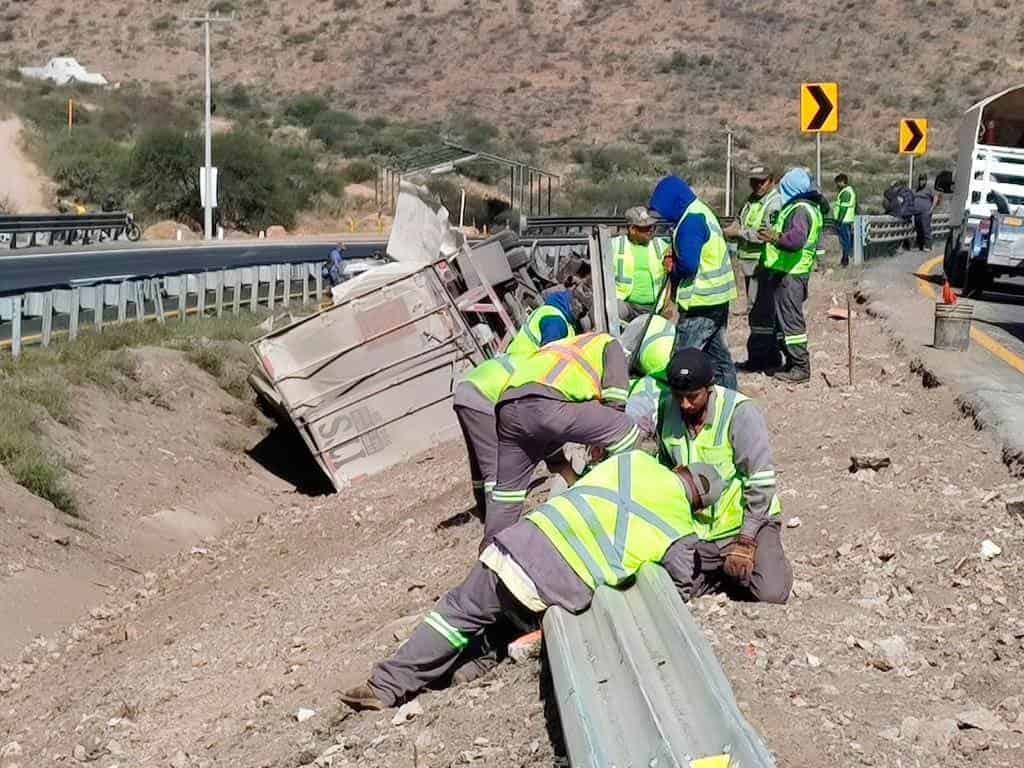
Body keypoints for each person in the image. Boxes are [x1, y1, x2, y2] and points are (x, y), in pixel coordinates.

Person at [337, 450, 725, 711]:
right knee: (509, 627)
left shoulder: (634, 461)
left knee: (457, 614)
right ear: (700, 505)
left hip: (520, 545)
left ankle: (386, 687)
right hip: (553, 591)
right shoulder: (681, 528)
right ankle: (468, 671)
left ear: (680, 469)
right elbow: (677, 584)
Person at [654, 347, 792, 602]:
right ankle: (723, 573)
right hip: (700, 532)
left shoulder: (739, 413)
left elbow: (760, 481)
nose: (684, 404)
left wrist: (746, 540)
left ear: (709, 388)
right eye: (678, 396)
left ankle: (752, 561)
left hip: (746, 523)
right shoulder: (666, 410)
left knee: (771, 594)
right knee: (671, 590)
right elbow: (663, 470)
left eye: (692, 397)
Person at [484, 333, 641, 548]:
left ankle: (490, 557)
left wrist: (572, 477)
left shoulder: (559, 347)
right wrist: (600, 445)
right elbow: (616, 403)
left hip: (508, 408)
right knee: (627, 430)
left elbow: (550, 445)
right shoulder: (610, 344)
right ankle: (623, 507)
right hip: (546, 402)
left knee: (507, 495)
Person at [453, 291, 577, 521]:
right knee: (495, 467)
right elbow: (552, 358)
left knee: (479, 461)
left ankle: (483, 512)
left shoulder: (535, 328)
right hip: (486, 391)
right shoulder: (554, 320)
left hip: (474, 385)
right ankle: (499, 525)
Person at [648, 175, 738, 390]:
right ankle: (729, 400)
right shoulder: (701, 212)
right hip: (717, 297)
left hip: (701, 301)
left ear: (674, 203)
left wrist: (673, 268)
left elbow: (689, 265)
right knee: (718, 357)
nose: (662, 217)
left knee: (684, 357)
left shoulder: (691, 221)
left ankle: (680, 406)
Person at [746, 168, 827, 383]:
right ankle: (792, 363)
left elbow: (795, 240)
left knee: (792, 323)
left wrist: (774, 237)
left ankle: (800, 367)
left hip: (792, 274)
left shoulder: (800, 210)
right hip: (792, 272)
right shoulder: (808, 207)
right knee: (785, 321)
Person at [723, 166, 780, 301]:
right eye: (754, 182)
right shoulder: (751, 200)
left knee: (761, 305)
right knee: (753, 302)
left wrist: (738, 233)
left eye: (762, 182)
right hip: (748, 262)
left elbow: (765, 234)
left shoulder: (774, 203)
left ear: (771, 181)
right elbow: (740, 219)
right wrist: (730, 230)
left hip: (764, 261)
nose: (758, 185)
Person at [612, 206, 670, 320]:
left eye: (652, 227)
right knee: (613, 315)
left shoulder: (661, 245)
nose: (651, 230)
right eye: (646, 227)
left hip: (656, 307)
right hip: (626, 304)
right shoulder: (615, 245)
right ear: (632, 229)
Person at [504, 289, 577, 358]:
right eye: (584, 308)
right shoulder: (556, 322)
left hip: (517, 358)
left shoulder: (553, 312)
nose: (583, 312)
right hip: (522, 364)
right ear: (574, 304)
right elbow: (548, 358)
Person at [832, 174, 857, 267]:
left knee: (845, 241)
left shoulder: (846, 192)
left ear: (842, 182)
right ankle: (845, 259)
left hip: (844, 221)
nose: (837, 185)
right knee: (846, 241)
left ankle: (845, 261)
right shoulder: (848, 191)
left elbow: (843, 208)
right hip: (846, 220)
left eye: (838, 182)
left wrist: (839, 220)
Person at [912, 173, 937, 251]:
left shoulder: (929, 188)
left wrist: (932, 209)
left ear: (926, 180)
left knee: (926, 229)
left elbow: (935, 198)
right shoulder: (917, 189)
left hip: (925, 212)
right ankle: (920, 245)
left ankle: (928, 246)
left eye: (923, 180)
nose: (922, 182)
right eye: (920, 180)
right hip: (917, 213)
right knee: (918, 229)